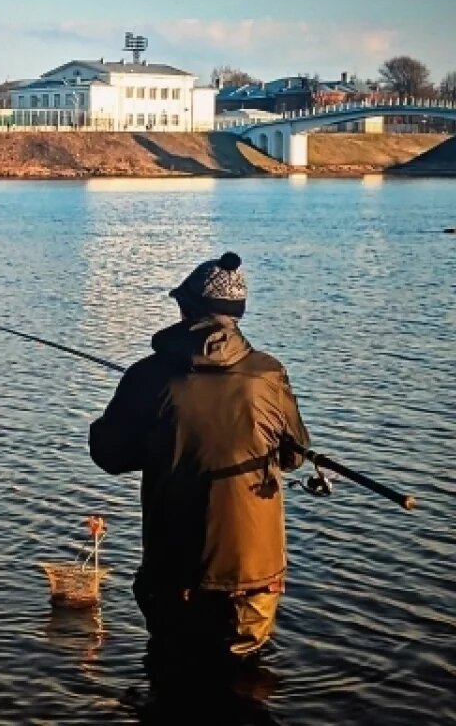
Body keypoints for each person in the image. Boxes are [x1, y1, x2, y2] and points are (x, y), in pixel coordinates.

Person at [89, 251, 309, 667]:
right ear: (236, 315)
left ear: (186, 308)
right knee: (246, 681)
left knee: (172, 678)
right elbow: (294, 457)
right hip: (253, 572)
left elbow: (109, 454)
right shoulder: (270, 375)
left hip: (173, 568)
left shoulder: (147, 376)